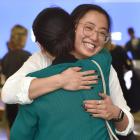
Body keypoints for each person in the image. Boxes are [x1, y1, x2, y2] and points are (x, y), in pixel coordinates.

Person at [2, 4, 133, 138]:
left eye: (102, 33)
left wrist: (115, 113)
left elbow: (128, 126)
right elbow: (8, 92)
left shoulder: (103, 66)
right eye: (89, 28)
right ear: (72, 27)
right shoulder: (42, 59)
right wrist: (61, 80)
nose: (94, 37)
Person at [1, 25, 31, 129]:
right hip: (24, 104)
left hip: (10, 104)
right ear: (24, 38)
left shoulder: (6, 57)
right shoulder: (28, 57)